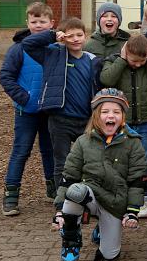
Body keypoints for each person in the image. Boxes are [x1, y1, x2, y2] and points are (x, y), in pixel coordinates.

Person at [51, 89, 147, 261]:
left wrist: (132, 211)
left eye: (116, 112)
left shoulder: (134, 143)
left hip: (114, 202)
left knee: (109, 256)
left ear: (123, 117)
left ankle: (102, 231)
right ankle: (71, 238)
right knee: (75, 191)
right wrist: (59, 210)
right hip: (89, 195)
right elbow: (69, 176)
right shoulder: (82, 141)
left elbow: (137, 180)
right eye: (105, 112)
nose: (111, 116)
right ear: (96, 115)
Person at [22, 18, 96, 194]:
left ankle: (83, 197)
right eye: (71, 36)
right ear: (63, 38)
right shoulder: (52, 55)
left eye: (80, 35)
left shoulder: (92, 60)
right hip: (60, 119)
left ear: (85, 37)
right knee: (61, 161)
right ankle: (62, 199)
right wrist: (52, 36)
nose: (76, 39)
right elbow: (27, 44)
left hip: (86, 121)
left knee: (86, 161)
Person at [99, 33, 147, 217]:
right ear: (125, 51)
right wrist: (121, 61)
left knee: (143, 160)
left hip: (146, 120)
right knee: (119, 158)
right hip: (122, 122)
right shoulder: (114, 60)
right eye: (134, 60)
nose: (137, 64)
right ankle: (120, 197)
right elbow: (106, 80)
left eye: (141, 61)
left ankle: (142, 198)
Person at [0, 2, 56, 216]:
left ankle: (53, 188)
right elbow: (6, 77)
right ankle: (11, 194)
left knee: (49, 151)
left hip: (50, 111)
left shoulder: (56, 48)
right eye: (34, 21)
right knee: (21, 151)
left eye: (43, 21)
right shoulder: (18, 49)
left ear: (52, 23)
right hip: (26, 111)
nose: (39, 25)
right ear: (28, 23)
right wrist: (25, 98)